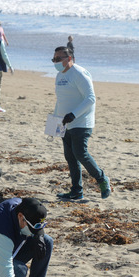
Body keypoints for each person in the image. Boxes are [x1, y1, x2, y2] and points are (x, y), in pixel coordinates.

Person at [51, 46, 111, 200]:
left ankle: (102, 179)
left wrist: (73, 114)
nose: (55, 62)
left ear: (69, 58)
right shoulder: (59, 75)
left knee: (80, 153)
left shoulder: (79, 73)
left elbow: (90, 98)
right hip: (65, 123)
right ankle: (76, 190)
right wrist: (55, 122)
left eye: (58, 59)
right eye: (54, 59)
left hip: (81, 121)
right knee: (70, 157)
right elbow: (61, 101)